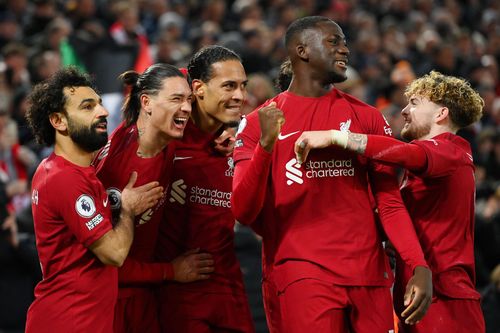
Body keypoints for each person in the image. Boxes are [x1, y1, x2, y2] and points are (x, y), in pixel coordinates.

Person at [232, 16, 433, 333]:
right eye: (333, 41)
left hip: (369, 276)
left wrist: (417, 262)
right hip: (303, 273)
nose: (345, 50)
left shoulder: (366, 116)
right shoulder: (260, 122)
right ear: (302, 50)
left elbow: (389, 202)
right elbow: (242, 210)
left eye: (344, 42)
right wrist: (266, 147)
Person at [294, 70, 486, 333]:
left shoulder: (453, 149)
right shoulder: (426, 168)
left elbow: (404, 153)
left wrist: (335, 136)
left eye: (415, 103)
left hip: (446, 301)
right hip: (418, 298)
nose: (404, 110)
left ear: (441, 114)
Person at [24, 67, 164, 333]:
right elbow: (114, 253)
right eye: (87, 107)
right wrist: (128, 209)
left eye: (99, 104)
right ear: (58, 121)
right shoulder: (67, 179)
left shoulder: (55, 168)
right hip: (70, 322)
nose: (102, 112)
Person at [93, 63, 216, 333]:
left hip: (144, 297)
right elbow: (104, 264)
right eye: (176, 99)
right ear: (146, 102)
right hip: (113, 305)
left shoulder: (161, 139)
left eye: (188, 100)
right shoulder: (119, 171)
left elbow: (199, 81)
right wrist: (171, 271)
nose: (186, 107)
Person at [156, 45, 255, 333]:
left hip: (230, 294)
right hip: (176, 295)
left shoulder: (235, 143)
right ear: (198, 88)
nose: (240, 96)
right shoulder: (164, 137)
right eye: (229, 86)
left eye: (242, 86)